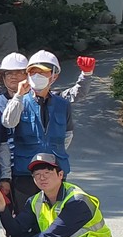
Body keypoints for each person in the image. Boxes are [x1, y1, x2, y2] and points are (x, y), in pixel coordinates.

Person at [7, 50, 78, 207]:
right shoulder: (20, 101)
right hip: (26, 171)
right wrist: (18, 96)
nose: (36, 76)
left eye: (42, 72)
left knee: (55, 216)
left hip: (55, 170)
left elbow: (67, 135)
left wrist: (53, 151)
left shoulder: (63, 104)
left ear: (54, 76)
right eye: (33, 72)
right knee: (26, 218)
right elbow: (8, 123)